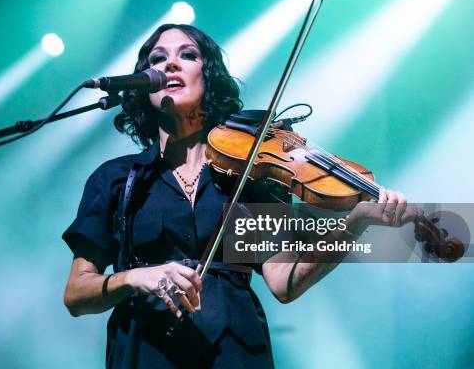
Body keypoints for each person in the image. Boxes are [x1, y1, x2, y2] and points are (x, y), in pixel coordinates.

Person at [62, 23, 412, 368]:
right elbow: (77, 294)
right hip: (144, 354)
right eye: (157, 59)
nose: (170, 64)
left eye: (188, 55)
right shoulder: (118, 179)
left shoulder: (248, 176)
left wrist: (355, 223)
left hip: (234, 353)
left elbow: (284, 282)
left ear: (209, 76)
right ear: (143, 87)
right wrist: (135, 277)